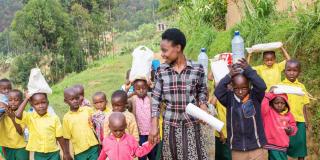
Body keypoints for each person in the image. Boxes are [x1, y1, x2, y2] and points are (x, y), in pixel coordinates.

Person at [149, 28, 208, 160]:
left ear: (178, 48)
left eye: (165, 50)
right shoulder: (161, 71)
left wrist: (203, 105)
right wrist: (154, 126)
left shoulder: (197, 68)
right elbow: (155, 101)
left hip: (192, 124)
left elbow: (202, 91)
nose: (162, 54)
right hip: (170, 125)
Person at [214, 58, 268, 160]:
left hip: (256, 147)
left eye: (243, 88)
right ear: (232, 87)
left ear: (249, 86)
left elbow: (262, 86)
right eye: (236, 89)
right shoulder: (229, 99)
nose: (240, 92)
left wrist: (248, 70)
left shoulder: (255, 97)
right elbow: (218, 91)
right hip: (237, 149)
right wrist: (229, 76)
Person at [15, 93, 71, 160]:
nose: (41, 106)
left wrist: (66, 153)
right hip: (39, 154)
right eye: (36, 104)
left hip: (54, 153)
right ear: (32, 105)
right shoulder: (29, 117)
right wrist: (27, 99)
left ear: (47, 103)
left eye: (43, 102)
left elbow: (60, 137)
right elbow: (18, 115)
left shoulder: (54, 118)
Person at [278, 60, 310, 160]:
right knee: (283, 145)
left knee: (301, 145)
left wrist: (306, 120)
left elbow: (304, 105)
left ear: (299, 72)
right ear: (284, 71)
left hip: (299, 120)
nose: (292, 73)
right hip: (284, 120)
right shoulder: (280, 86)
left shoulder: (301, 87)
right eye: (289, 70)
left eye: (295, 70)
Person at [62, 87, 99, 160]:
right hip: (79, 152)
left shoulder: (88, 110)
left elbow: (97, 124)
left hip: (93, 147)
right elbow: (66, 138)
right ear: (65, 101)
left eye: (77, 98)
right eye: (72, 99)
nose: (75, 101)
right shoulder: (66, 118)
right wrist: (66, 153)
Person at [261, 92, 297, 160]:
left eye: (282, 103)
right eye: (276, 103)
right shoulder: (268, 112)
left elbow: (293, 125)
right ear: (271, 103)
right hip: (272, 145)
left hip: (282, 146)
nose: (279, 105)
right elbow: (263, 106)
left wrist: (291, 129)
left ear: (286, 104)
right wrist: (269, 95)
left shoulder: (289, 115)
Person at [129, 79, 158, 160]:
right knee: (141, 156)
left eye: (144, 88)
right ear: (134, 90)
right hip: (140, 134)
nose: (141, 90)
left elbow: (160, 98)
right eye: (138, 89)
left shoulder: (151, 98)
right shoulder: (133, 99)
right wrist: (128, 91)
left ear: (147, 88)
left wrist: (153, 87)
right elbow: (122, 100)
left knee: (153, 155)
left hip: (151, 133)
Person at [0, 90, 29, 160]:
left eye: (16, 100)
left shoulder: (24, 114)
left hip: (21, 147)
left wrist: (13, 118)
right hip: (7, 147)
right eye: (10, 100)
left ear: (22, 102)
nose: (13, 102)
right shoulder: (3, 113)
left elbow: (20, 132)